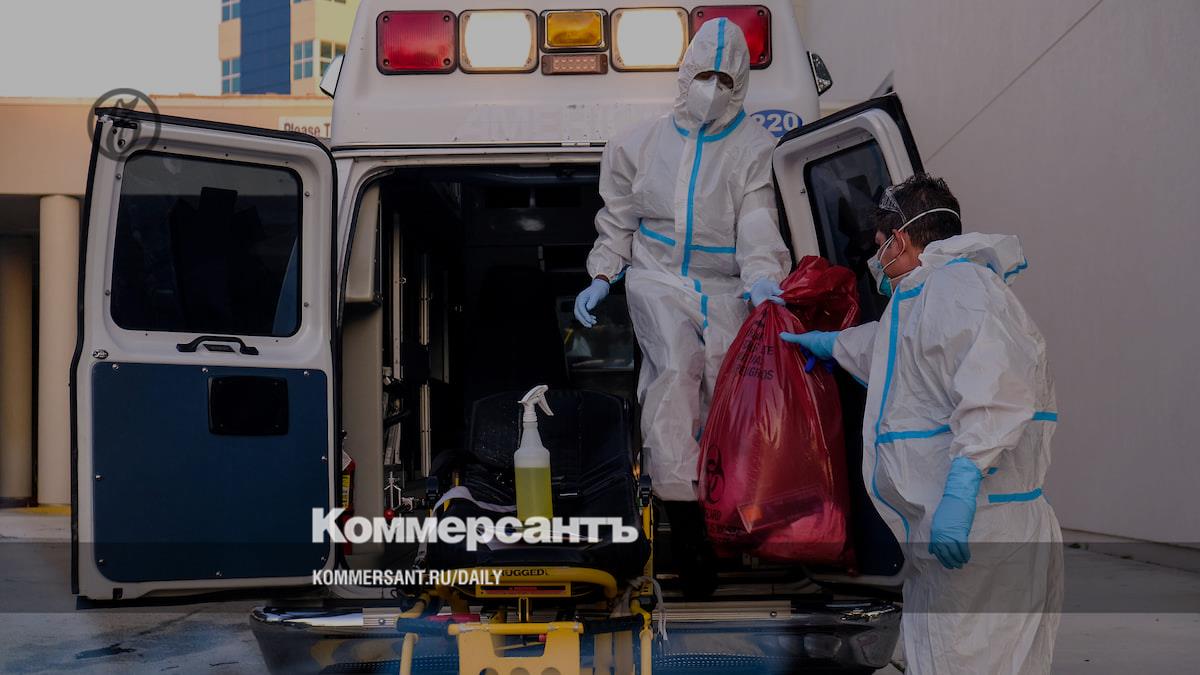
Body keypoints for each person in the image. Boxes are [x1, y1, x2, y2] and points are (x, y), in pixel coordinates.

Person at [782, 174, 1063, 674]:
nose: (876, 257)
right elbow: (900, 355)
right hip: (958, 536)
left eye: (879, 244)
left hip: (981, 530)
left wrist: (963, 484)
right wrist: (830, 344)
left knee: (969, 661)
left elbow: (998, 388)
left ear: (900, 239)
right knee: (946, 657)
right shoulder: (930, 294)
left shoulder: (960, 289)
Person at [573, 19, 791, 592]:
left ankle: (733, 527)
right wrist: (603, 274)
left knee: (731, 399)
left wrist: (763, 277)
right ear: (685, 73)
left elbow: (758, 221)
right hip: (659, 278)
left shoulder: (754, 148)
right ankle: (692, 542)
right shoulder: (637, 144)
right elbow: (618, 221)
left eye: (725, 78)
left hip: (726, 287)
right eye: (704, 75)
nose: (712, 88)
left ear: (740, 82)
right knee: (673, 379)